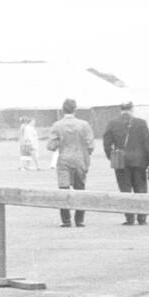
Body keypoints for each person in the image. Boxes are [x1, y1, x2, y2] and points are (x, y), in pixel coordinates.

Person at [103, 101, 149, 225]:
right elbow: (148, 144)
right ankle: (142, 218)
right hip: (139, 160)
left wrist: (112, 157)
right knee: (141, 190)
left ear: (120, 110)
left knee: (125, 190)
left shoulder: (112, 123)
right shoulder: (141, 123)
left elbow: (106, 144)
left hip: (121, 161)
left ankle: (129, 218)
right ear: (132, 109)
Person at [46, 98, 95, 228]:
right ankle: (79, 220)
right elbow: (91, 144)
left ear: (63, 110)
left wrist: (59, 143)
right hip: (80, 159)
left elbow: (50, 146)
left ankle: (66, 220)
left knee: (64, 190)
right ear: (75, 109)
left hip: (64, 160)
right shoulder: (84, 124)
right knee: (80, 189)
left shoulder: (57, 125)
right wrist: (85, 153)